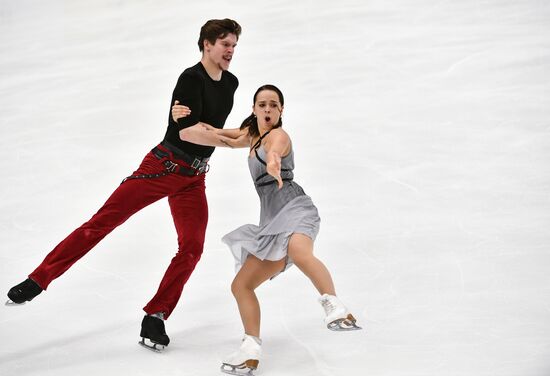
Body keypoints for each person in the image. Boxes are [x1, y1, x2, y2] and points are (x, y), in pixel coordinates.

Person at [6, 18, 242, 352]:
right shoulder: (190, 79)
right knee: (101, 223)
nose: (230, 51)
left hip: (194, 178)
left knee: (192, 247)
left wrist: (212, 131)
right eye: (225, 44)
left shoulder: (230, 83)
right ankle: (38, 279)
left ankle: (156, 315)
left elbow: (205, 128)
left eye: (233, 45)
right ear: (207, 44)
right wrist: (232, 139)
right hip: (162, 167)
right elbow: (189, 133)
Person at [171, 84, 361, 375]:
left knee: (299, 251)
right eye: (263, 105)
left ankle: (335, 306)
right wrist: (181, 122)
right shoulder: (251, 136)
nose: (268, 109)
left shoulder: (279, 136)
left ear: (281, 110)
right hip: (272, 222)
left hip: (296, 208)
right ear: (254, 109)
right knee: (241, 286)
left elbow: (276, 151)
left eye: (274, 105)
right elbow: (216, 135)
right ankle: (250, 348)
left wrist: (273, 163)